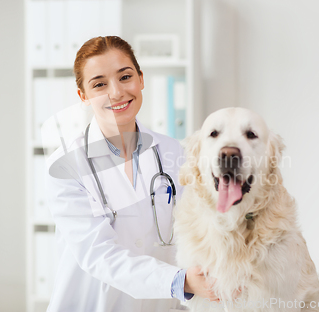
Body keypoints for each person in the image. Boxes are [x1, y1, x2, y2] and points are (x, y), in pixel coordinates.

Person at [44, 36, 218, 312]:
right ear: (83, 96)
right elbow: (98, 254)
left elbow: (197, 228)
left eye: (125, 76)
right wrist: (179, 280)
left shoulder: (173, 152)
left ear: (141, 79)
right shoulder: (65, 167)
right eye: (99, 84)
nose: (116, 92)